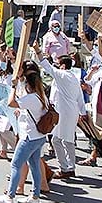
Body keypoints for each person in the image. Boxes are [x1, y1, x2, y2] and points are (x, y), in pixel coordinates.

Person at [0, 62, 51, 203]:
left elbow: (12, 102)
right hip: (39, 136)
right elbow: (30, 110)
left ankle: (10, 196)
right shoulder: (40, 95)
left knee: (16, 164)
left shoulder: (31, 98)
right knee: (35, 165)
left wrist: (13, 86)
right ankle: (35, 196)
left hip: (29, 137)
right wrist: (22, 111)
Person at [34, 46, 86, 179]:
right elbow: (80, 97)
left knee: (62, 140)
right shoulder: (73, 77)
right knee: (63, 140)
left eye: (57, 64)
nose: (56, 66)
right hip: (69, 112)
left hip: (65, 113)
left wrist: (37, 50)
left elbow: (45, 65)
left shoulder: (62, 75)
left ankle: (67, 168)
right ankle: (68, 167)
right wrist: (83, 112)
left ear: (62, 66)